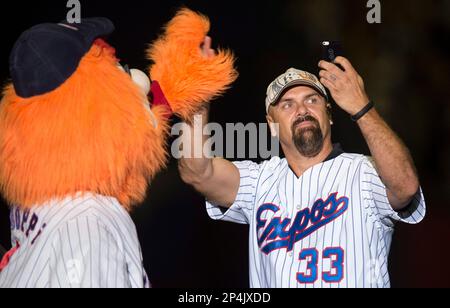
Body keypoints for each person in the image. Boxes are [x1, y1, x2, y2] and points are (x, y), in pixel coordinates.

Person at [0, 8, 237, 288]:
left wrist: (191, 98)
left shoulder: (34, 198)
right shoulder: (90, 222)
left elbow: (138, 112)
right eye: (118, 70)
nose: (130, 79)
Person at [179, 53, 426, 288]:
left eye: (312, 99)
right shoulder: (259, 182)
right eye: (287, 104)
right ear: (272, 125)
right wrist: (197, 103)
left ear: (329, 115)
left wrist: (362, 108)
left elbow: (405, 185)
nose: (302, 110)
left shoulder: (363, 171)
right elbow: (197, 172)